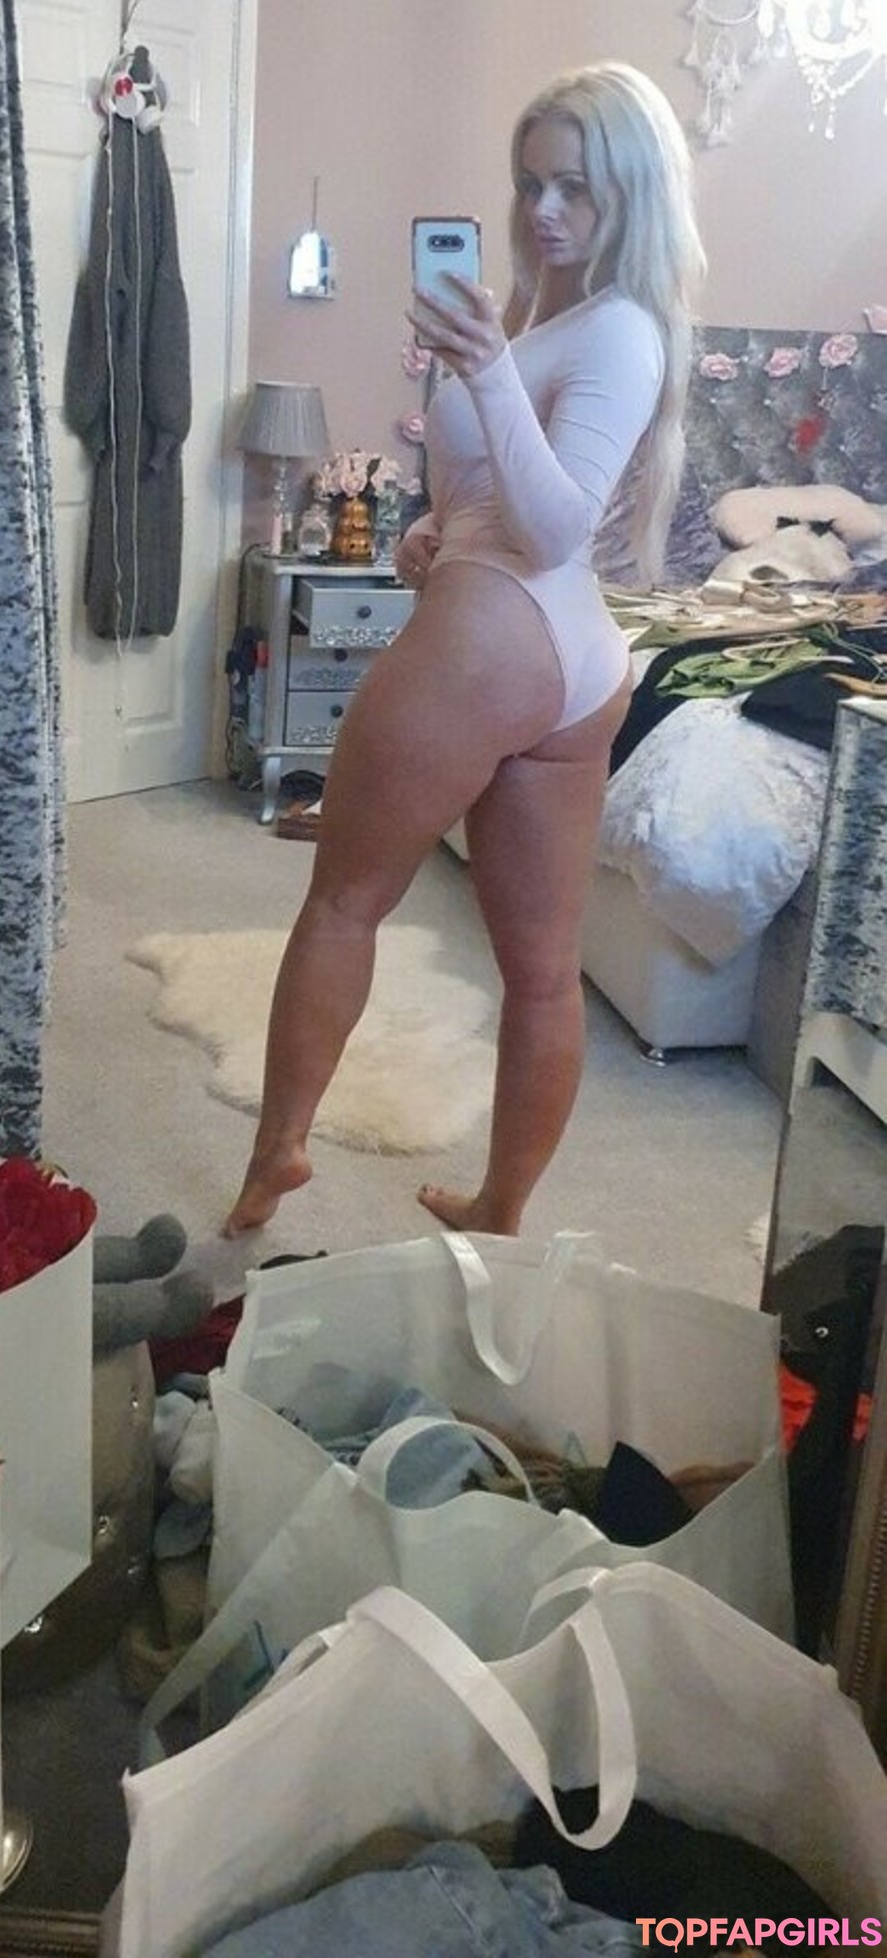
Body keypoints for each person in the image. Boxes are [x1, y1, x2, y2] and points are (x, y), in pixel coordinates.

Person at [224, 61, 705, 1240]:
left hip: (505, 628)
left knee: (345, 898)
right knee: (542, 968)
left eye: (575, 187)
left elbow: (556, 526)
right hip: (569, 660)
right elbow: (502, 494)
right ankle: (499, 1208)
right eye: (531, 183)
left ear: (633, 192)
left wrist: (486, 372)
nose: (544, 210)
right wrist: (439, 523)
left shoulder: (620, 327)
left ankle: (275, 1152)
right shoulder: (554, 315)